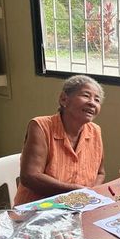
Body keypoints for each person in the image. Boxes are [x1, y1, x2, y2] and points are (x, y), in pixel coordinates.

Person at [14, 75, 106, 205]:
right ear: (63, 99)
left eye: (97, 100)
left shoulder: (95, 131)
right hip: (38, 209)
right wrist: (76, 192)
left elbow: (100, 173)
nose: (92, 103)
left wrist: (90, 194)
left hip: (80, 206)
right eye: (86, 96)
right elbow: (30, 176)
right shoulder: (41, 126)